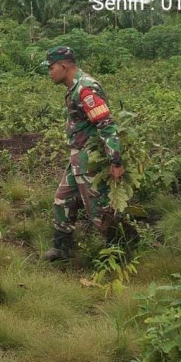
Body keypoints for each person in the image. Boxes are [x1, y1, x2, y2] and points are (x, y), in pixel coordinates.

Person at [43, 46, 125, 262]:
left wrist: (115, 161)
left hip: (90, 158)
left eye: (51, 68)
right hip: (78, 157)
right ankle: (62, 248)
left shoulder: (86, 89)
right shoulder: (74, 87)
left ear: (63, 66)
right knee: (62, 200)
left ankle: (118, 253)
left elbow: (106, 125)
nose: (49, 72)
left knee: (98, 210)